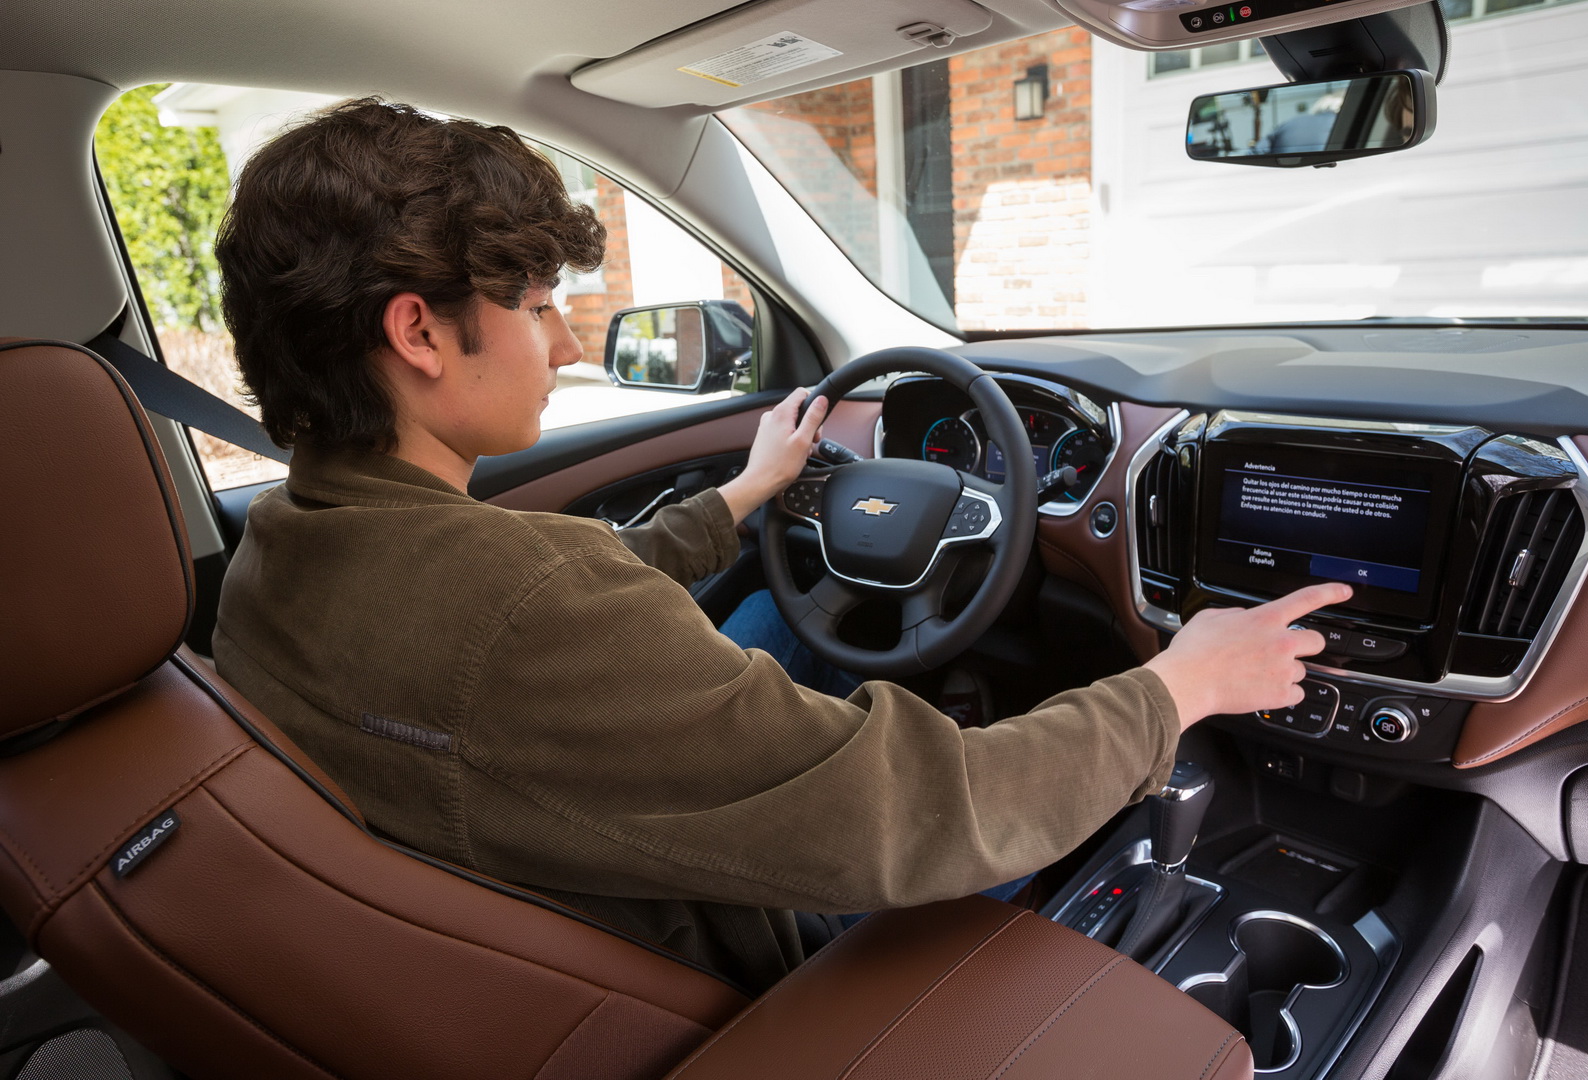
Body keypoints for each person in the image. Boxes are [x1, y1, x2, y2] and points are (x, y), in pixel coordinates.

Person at [212, 99, 1350, 993]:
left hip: (553, 908)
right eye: (538, 304)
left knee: (769, 619)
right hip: (752, 974)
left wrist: (746, 497)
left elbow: (561, 607)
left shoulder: (282, 549)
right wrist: (1180, 689)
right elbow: (925, 808)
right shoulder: (522, 607)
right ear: (418, 330)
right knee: (1079, 808)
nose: (564, 346)